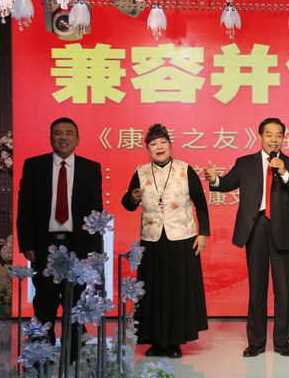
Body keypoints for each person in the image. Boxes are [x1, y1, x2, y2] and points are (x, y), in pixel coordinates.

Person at [203, 118, 289, 357]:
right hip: (255, 228)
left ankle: (282, 342)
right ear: (259, 137)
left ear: (283, 138)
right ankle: (256, 342)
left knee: (284, 290)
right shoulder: (245, 163)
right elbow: (227, 182)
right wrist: (214, 179)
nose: (274, 139)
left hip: (282, 230)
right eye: (269, 134)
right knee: (256, 288)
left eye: (278, 135)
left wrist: (284, 172)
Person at [16, 117, 103, 357]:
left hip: (78, 245)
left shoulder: (90, 168)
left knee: (75, 302)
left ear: (77, 139)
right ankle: (41, 353)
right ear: (50, 137)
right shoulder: (34, 166)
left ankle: (73, 353)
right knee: (45, 300)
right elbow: (25, 208)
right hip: (45, 245)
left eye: (69, 133)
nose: (63, 137)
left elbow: (96, 211)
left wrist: (94, 250)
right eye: (58, 133)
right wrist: (27, 243)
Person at [121, 123, 209, 358]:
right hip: (151, 240)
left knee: (177, 291)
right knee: (152, 291)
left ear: (170, 145)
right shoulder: (141, 172)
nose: (159, 147)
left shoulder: (185, 169)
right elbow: (128, 204)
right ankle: (156, 341)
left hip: (182, 238)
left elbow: (200, 204)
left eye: (163, 142)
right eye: (153, 144)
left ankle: (174, 342)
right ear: (147, 149)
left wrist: (203, 234)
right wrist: (132, 198)